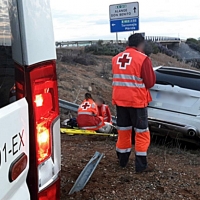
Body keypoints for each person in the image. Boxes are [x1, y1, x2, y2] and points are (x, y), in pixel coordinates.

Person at [112, 33, 156, 173]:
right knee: (141, 132)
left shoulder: (116, 58)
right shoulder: (143, 59)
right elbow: (150, 82)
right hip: (137, 101)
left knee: (124, 131)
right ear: (141, 44)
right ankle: (140, 166)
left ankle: (122, 161)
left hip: (120, 101)